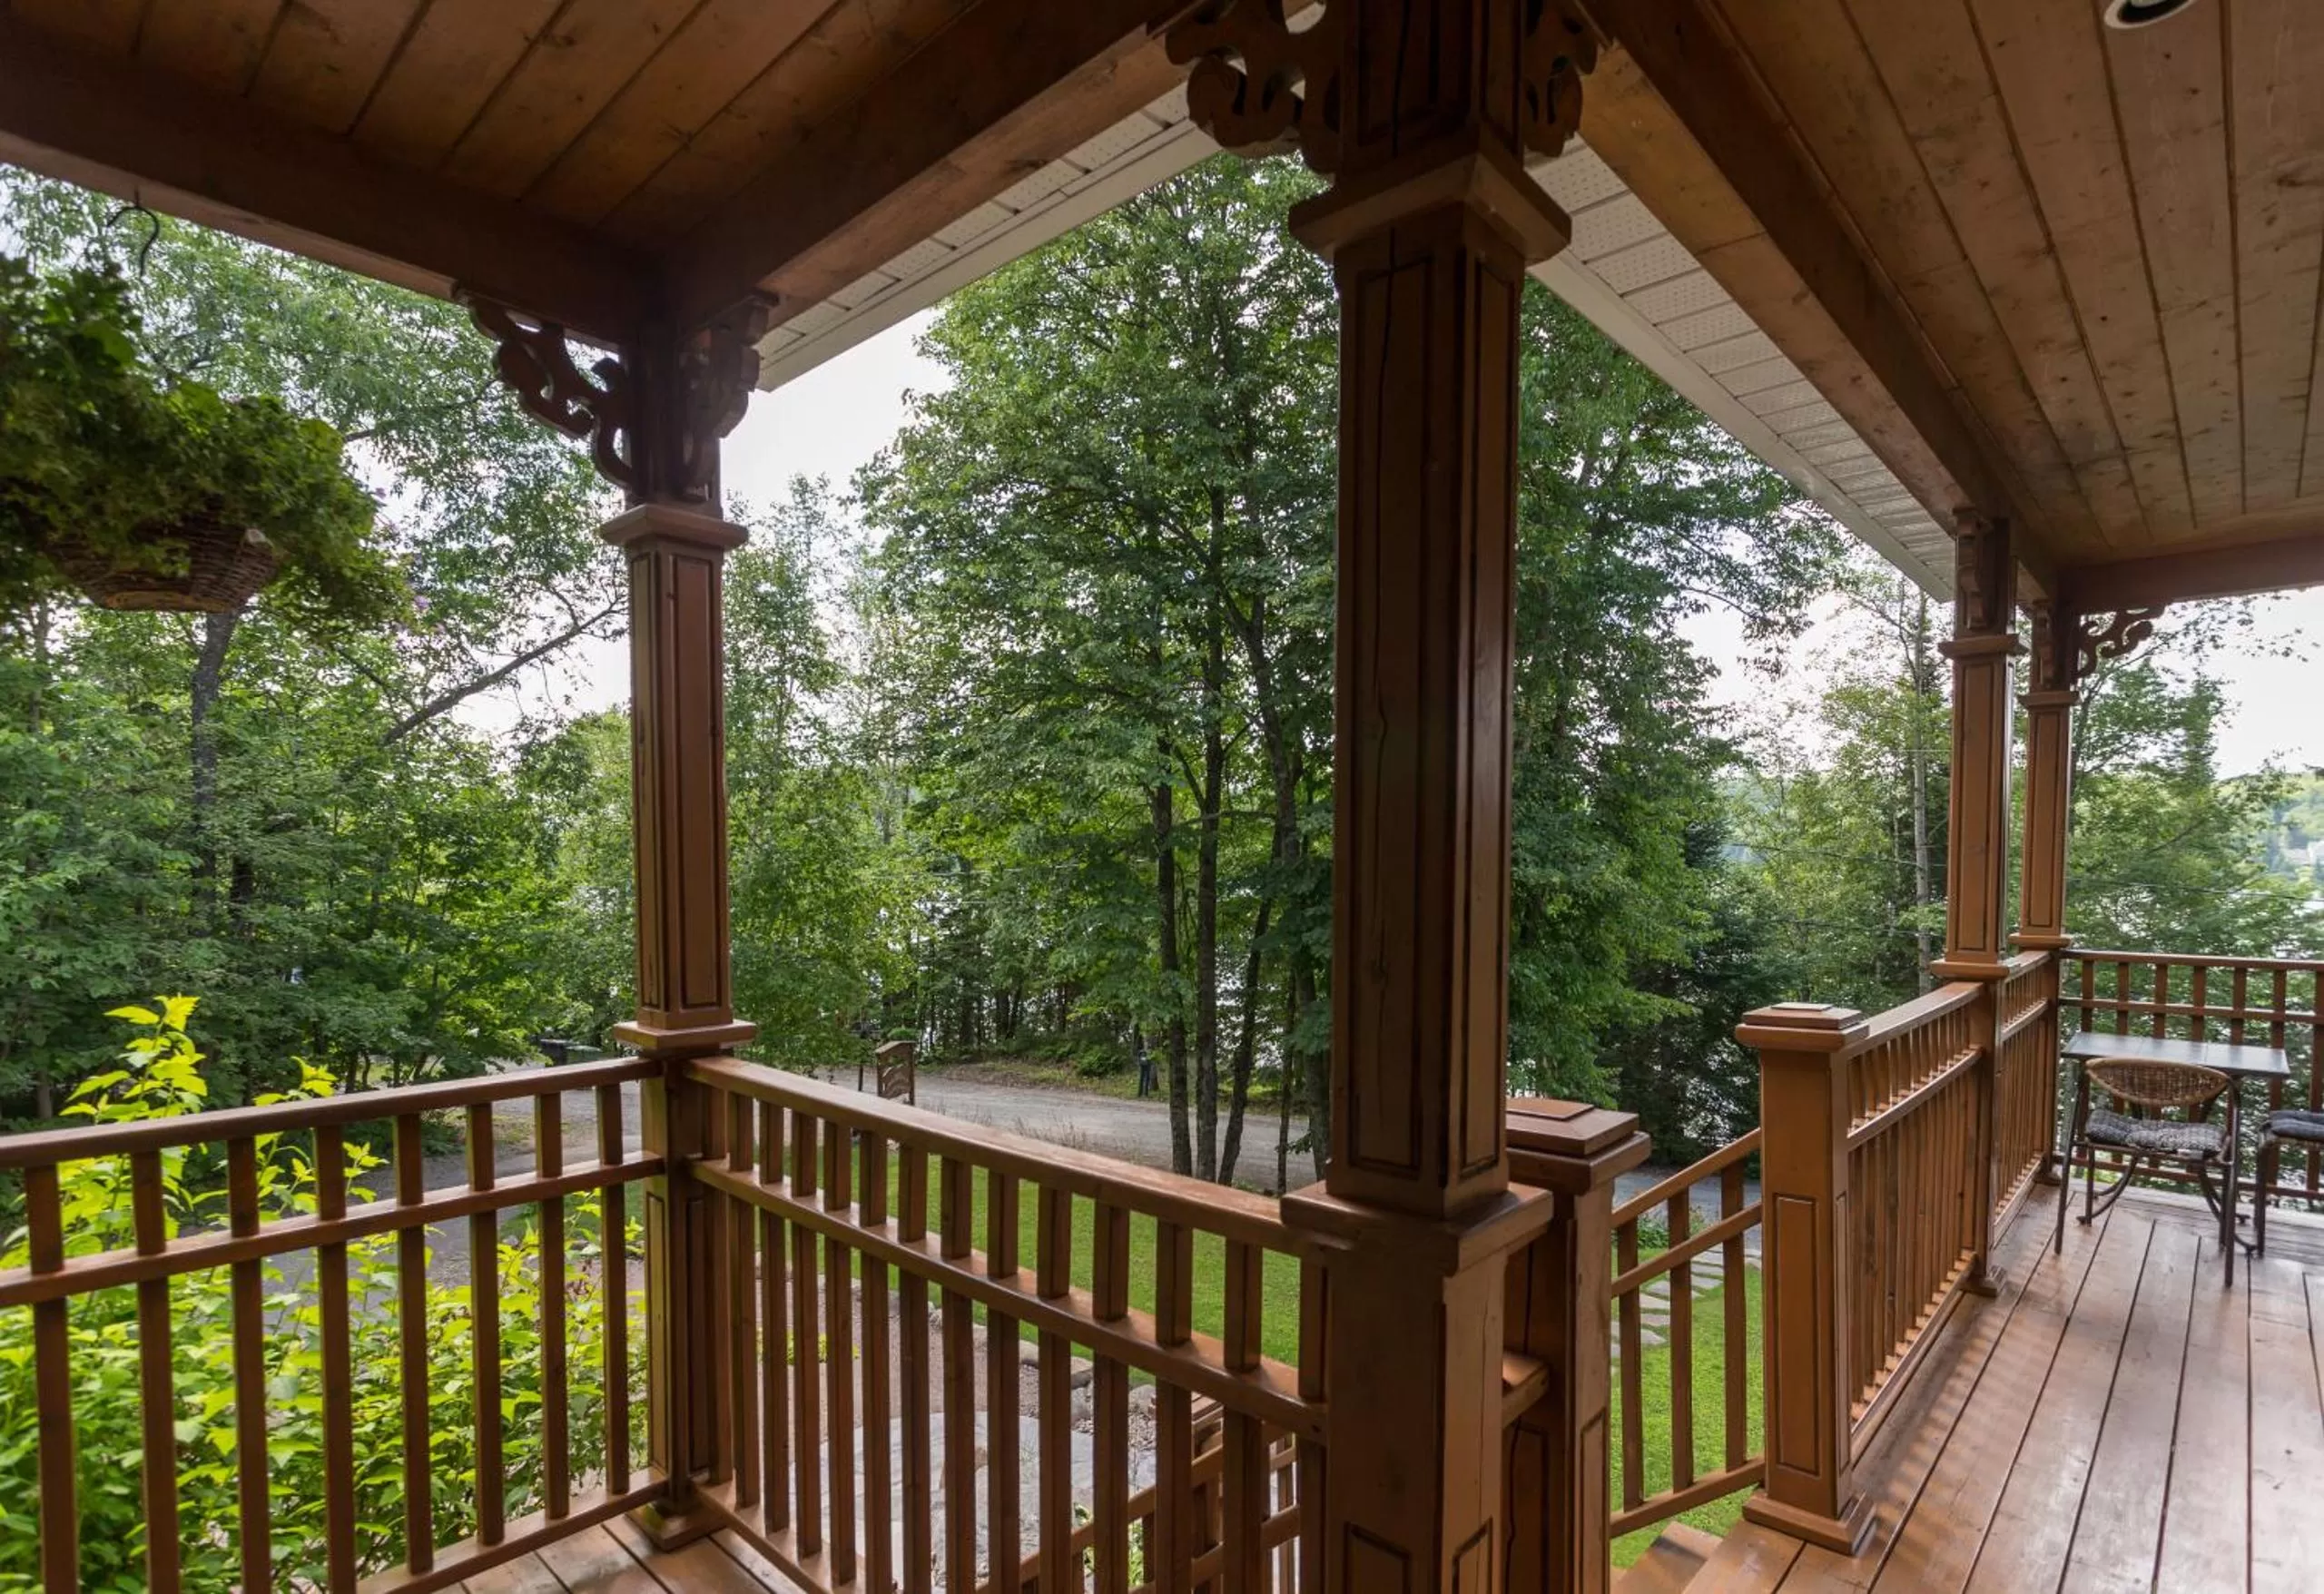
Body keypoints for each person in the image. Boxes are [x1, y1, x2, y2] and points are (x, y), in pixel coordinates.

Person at [1134, 1025, 1157, 1098]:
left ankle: (1144, 1093)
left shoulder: (1149, 1037)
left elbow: (1152, 1047)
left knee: (1146, 1077)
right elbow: (1137, 1046)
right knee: (1143, 1076)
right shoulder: (1142, 1037)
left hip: (1147, 1057)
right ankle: (1141, 1093)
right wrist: (1140, 1053)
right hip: (1143, 1057)